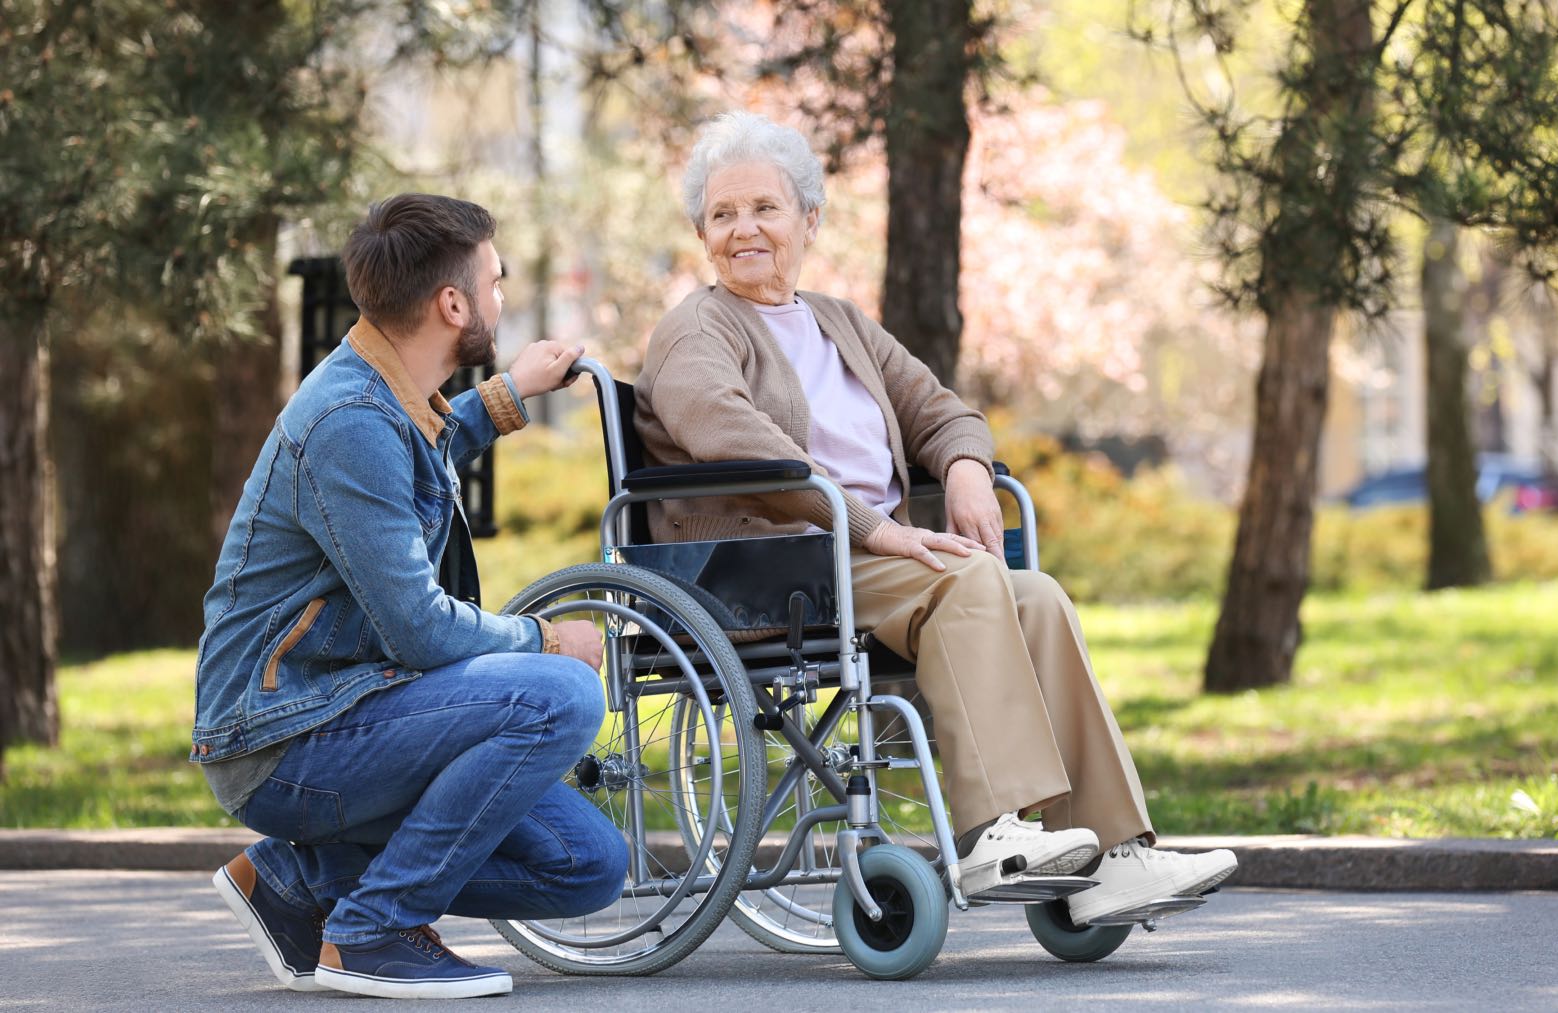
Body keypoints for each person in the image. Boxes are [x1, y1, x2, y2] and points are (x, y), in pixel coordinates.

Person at [634, 112, 1238, 926]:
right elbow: (732, 438)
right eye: (722, 214)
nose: (744, 229)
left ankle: (1116, 853)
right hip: (769, 566)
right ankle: (993, 831)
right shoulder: (694, 331)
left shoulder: (838, 321)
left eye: (765, 209)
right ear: (702, 233)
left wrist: (964, 470)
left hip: (862, 556)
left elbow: (939, 408)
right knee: (964, 581)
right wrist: (874, 526)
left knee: (1039, 596)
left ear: (809, 219)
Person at [191, 194, 626, 999]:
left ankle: (299, 877)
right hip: (283, 737)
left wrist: (509, 394)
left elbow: (420, 452)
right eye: (494, 282)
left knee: (588, 867)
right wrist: (543, 639)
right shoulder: (349, 419)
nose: (501, 298)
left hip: (351, 708)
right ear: (452, 304)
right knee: (559, 694)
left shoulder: (383, 398)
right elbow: (422, 630)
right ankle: (371, 931)